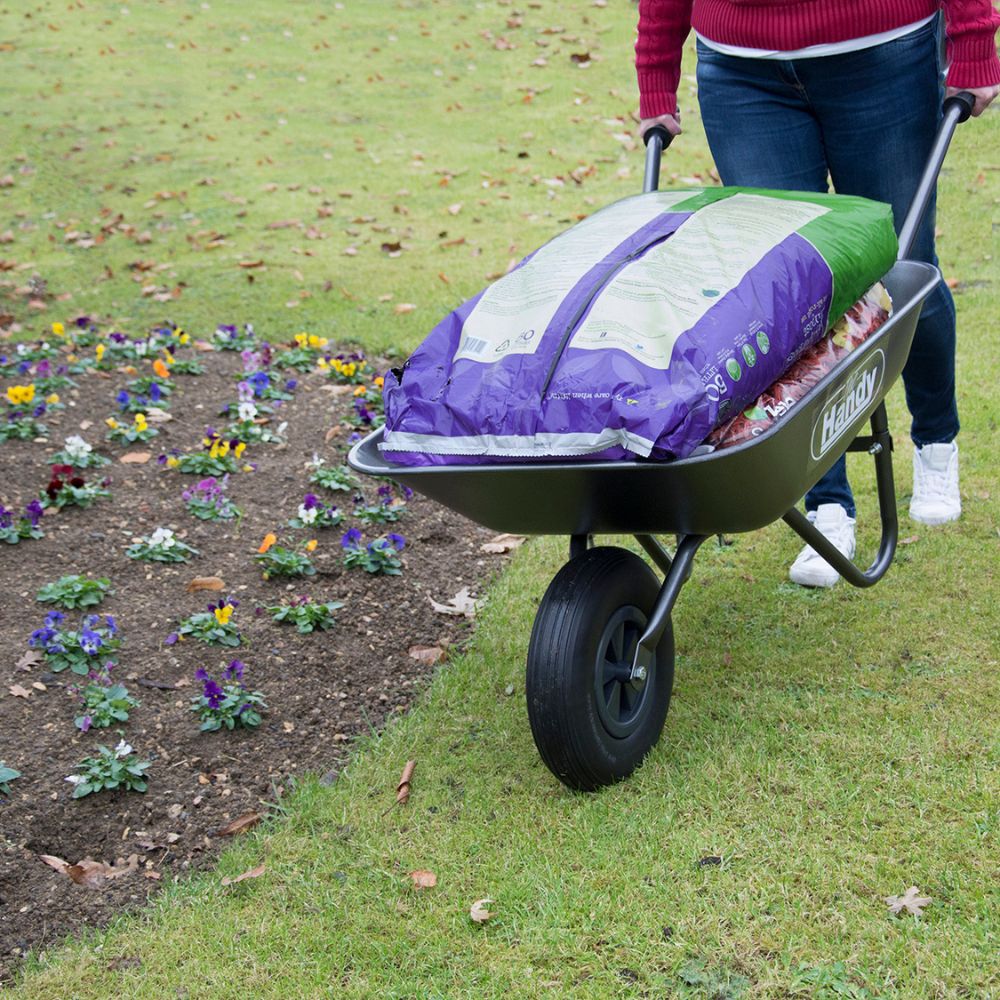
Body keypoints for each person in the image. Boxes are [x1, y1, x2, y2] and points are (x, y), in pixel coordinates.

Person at [636, 1, 1000, 587]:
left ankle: (936, 441)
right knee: (788, 305)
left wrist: (974, 37)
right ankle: (827, 502)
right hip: (741, 69)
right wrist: (655, 74)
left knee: (905, 272)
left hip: (884, 51)